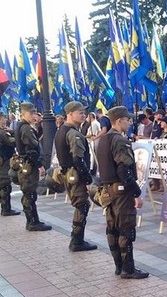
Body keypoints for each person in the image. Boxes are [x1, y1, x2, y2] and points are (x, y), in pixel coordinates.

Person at [96, 106, 149, 279]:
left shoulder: (103, 140)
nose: (129, 123)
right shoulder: (120, 140)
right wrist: (135, 193)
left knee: (112, 227)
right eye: (127, 120)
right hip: (121, 190)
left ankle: (119, 266)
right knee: (126, 228)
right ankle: (128, 268)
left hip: (108, 189)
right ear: (119, 121)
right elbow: (124, 169)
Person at [55, 101, 98, 252]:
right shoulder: (73, 133)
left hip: (69, 174)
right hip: (76, 175)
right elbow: (78, 159)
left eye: (84, 112)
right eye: (80, 112)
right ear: (70, 114)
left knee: (80, 205)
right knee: (82, 205)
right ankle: (77, 241)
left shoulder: (62, 130)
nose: (83, 115)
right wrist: (87, 179)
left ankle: (77, 239)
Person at [16, 102, 52, 231]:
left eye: (34, 113)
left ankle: (33, 220)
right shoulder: (25, 128)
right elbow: (32, 148)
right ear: (24, 114)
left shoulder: (24, 126)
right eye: (31, 113)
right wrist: (39, 165)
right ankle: (32, 222)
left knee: (29, 193)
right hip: (29, 165)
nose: (34, 115)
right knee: (30, 193)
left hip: (26, 164)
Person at [0, 111, 21, 216]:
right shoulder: (0, 132)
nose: (6, 120)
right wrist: (15, 134)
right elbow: (11, 142)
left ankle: (5, 208)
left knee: (3, 184)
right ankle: (6, 209)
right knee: (5, 184)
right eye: (4, 118)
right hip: (4, 161)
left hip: (0, 160)